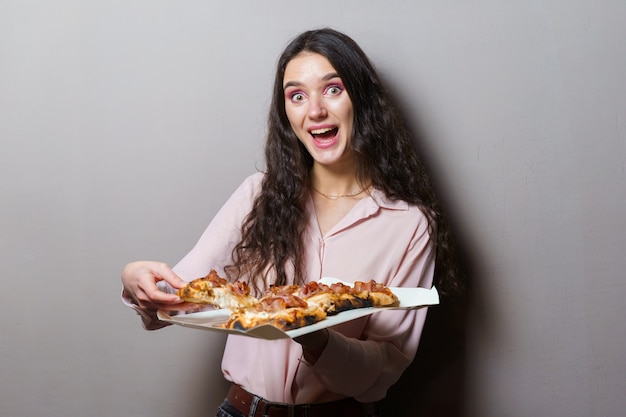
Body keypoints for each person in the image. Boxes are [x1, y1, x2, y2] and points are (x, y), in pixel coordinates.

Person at [122, 28, 461, 417]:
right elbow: (181, 298)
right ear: (287, 114)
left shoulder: (410, 224)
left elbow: (382, 372)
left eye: (333, 89)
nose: (315, 110)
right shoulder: (257, 195)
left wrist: (318, 341)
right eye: (297, 96)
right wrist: (135, 279)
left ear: (362, 99)